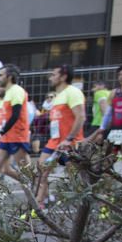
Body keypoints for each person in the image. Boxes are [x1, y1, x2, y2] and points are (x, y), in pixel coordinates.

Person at [35, 65, 85, 211]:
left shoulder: (73, 92)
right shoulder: (57, 97)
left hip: (71, 144)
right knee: (41, 171)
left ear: (63, 77)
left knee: (76, 178)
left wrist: (69, 139)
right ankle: (39, 205)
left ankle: (86, 207)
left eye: (54, 74)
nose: (50, 77)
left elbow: (80, 117)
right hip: (54, 143)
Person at [0, 64, 31, 182]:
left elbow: (15, 115)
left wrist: (0, 133)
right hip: (7, 137)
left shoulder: (17, 91)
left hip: (17, 136)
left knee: (27, 171)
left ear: (10, 77)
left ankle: (40, 193)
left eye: (1, 75)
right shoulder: (9, 92)